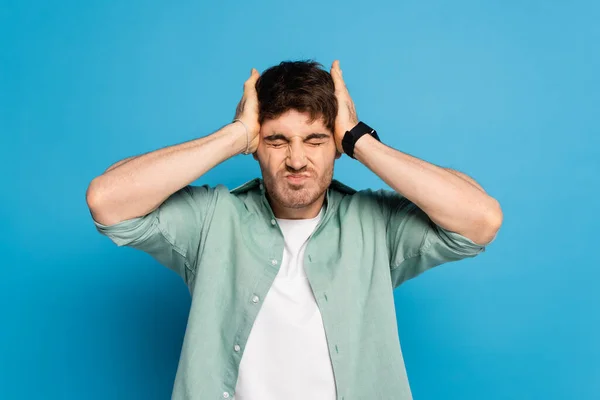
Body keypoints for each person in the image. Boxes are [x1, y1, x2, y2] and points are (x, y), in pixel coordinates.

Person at [86, 59, 503, 400]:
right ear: (256, 146)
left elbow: (481, 219)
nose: (297, 160)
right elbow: (107, 201)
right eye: (277, 140)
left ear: (337, 145)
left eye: (316, 140)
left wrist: (360, 139)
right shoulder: (213, 220)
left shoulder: (375, 224)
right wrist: (234, 135)